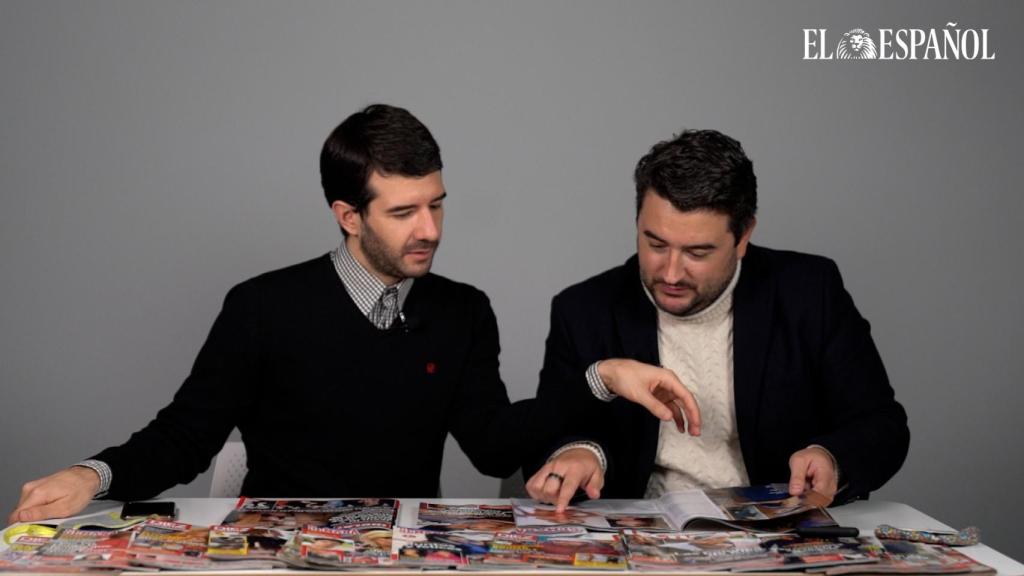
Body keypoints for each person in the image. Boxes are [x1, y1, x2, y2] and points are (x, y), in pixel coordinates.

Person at [8, 104, 695, 525]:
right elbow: (185, 436)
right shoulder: (263, 307)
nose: (429, 229)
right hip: (278, 546)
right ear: (348, 216)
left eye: (437, 203)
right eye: (403, 213)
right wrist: (93, 475)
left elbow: (492, 443)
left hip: (402, 552)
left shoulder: (462, 311)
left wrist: (599, 377)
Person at [525, 129, 909, 510]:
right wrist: (580, 453)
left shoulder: (809, 292)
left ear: (743, 237)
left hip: (772, 542)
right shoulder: (583, 308)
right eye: (655, 244)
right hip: (644, 546)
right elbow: (543, 430)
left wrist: (829, 457)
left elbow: (882, 425)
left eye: (698, 252)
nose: (671, 273)